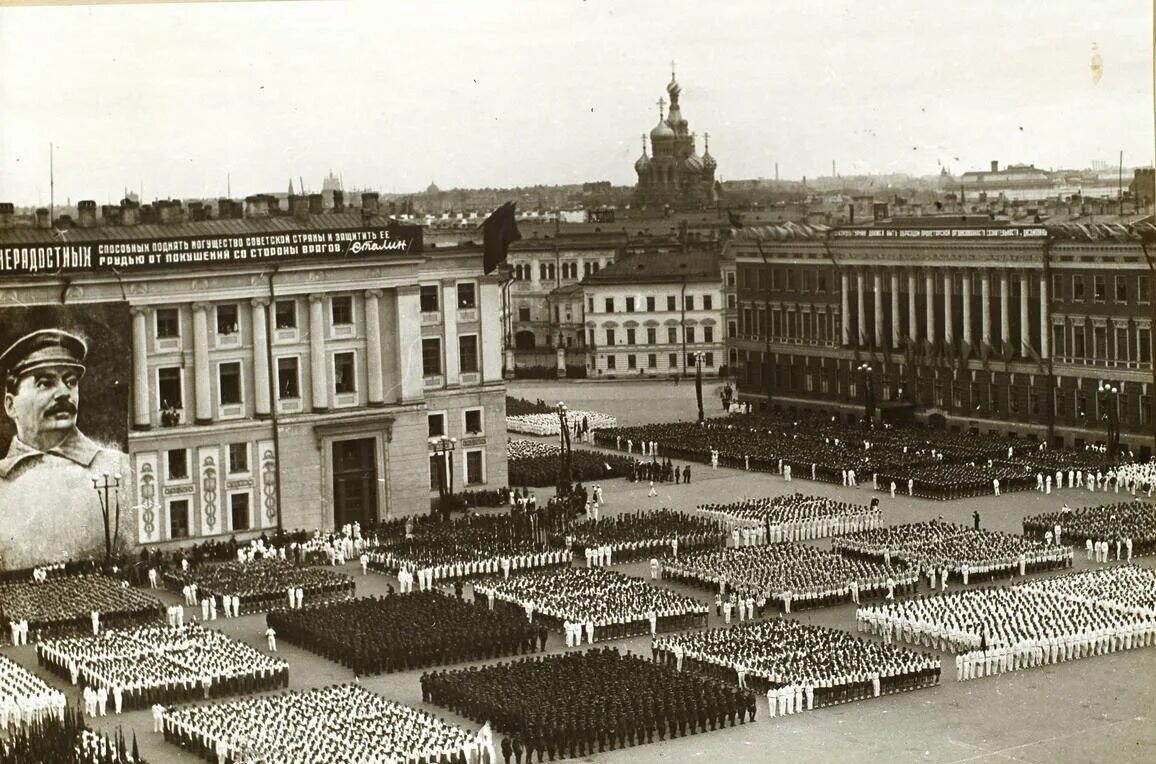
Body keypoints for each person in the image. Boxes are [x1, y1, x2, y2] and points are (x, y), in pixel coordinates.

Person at [0, 329, 133, 568]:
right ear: (11, 405)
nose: (64, 393)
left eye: (70, 382)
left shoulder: (120, 469)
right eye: (44, 383)